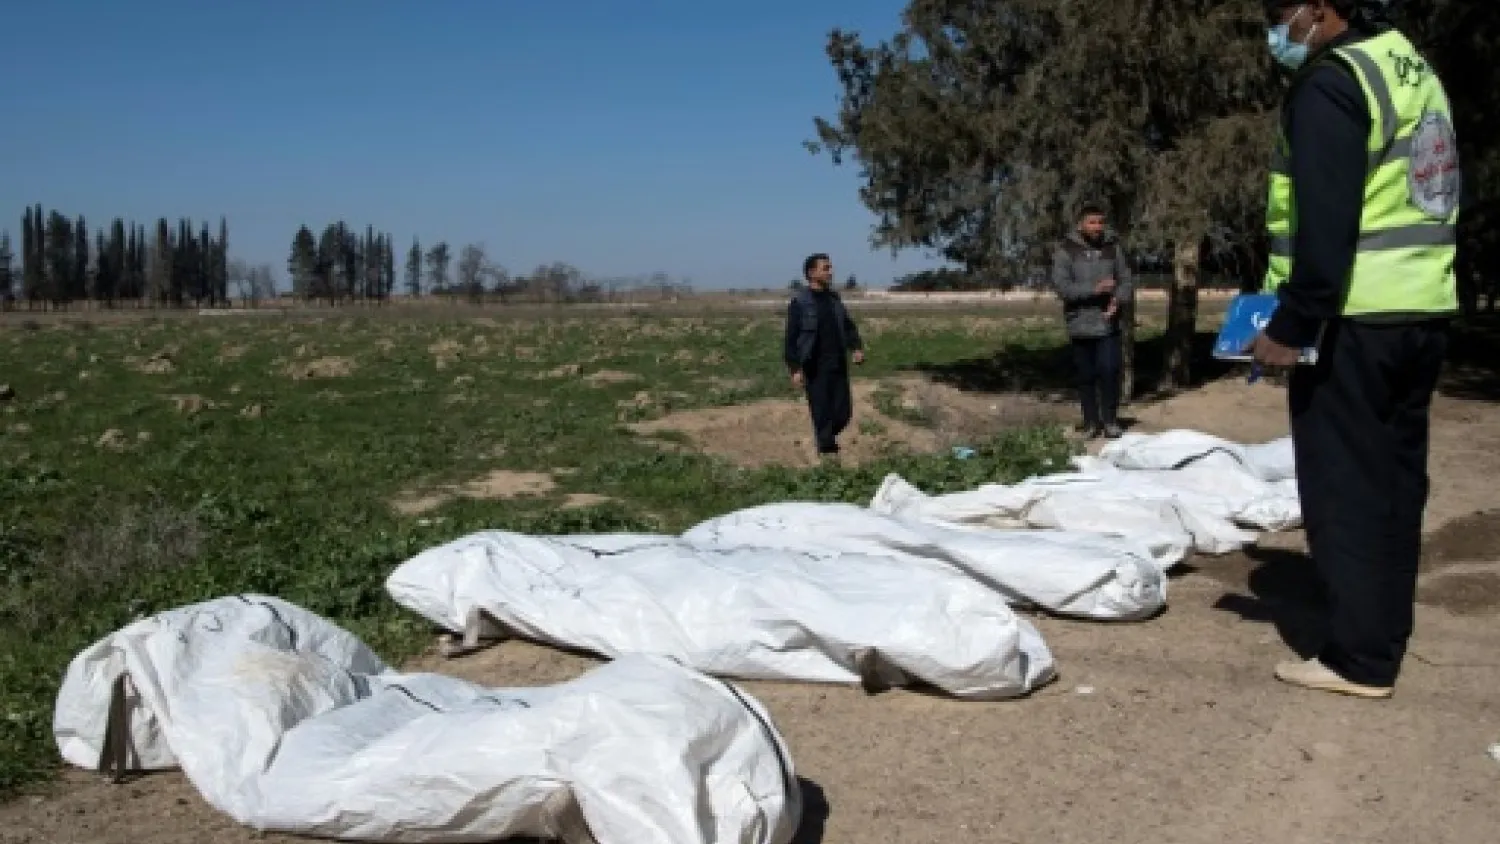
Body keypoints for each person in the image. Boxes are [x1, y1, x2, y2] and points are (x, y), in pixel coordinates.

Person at [1251, 0, 1460, 698]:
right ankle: (1382, 630)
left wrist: (1293, 323)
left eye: (1280, 11)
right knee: (1397, 483)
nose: (1273, 26)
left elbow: (1327, 214)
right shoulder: (1407, 64)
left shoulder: (1332, 81)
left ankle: (1358, 659)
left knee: (1344, 486)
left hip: (1353, 318)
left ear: (1320, 7)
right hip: (1420, 306)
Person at [1051, 202, 1132, 439]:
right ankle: (1090, 423)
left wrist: (1118, 299)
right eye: (1092, 222)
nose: (1097, 227)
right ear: (1080, 225)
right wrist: (1094, 289)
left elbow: (1125, 279)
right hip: (1079, 323)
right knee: (1085, 375)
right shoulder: (1065, 251)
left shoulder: (1112, 248)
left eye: (1100, 222)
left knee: (1109, 370)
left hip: (1107, 322)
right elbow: (1062, 288)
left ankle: (1110, 421)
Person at [783, 253, 864, 457]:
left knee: (843, 413)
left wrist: (856, 347)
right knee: (821, 410)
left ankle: (826, 440)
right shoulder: (800, 302)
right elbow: (791, 336)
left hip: (837, 363)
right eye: (825, 268)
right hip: (815, 366)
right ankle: (826, 451)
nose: (830, 271)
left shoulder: (834, 299)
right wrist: (794, 368)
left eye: (830, 267)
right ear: (812, 273)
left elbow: (847, 326)